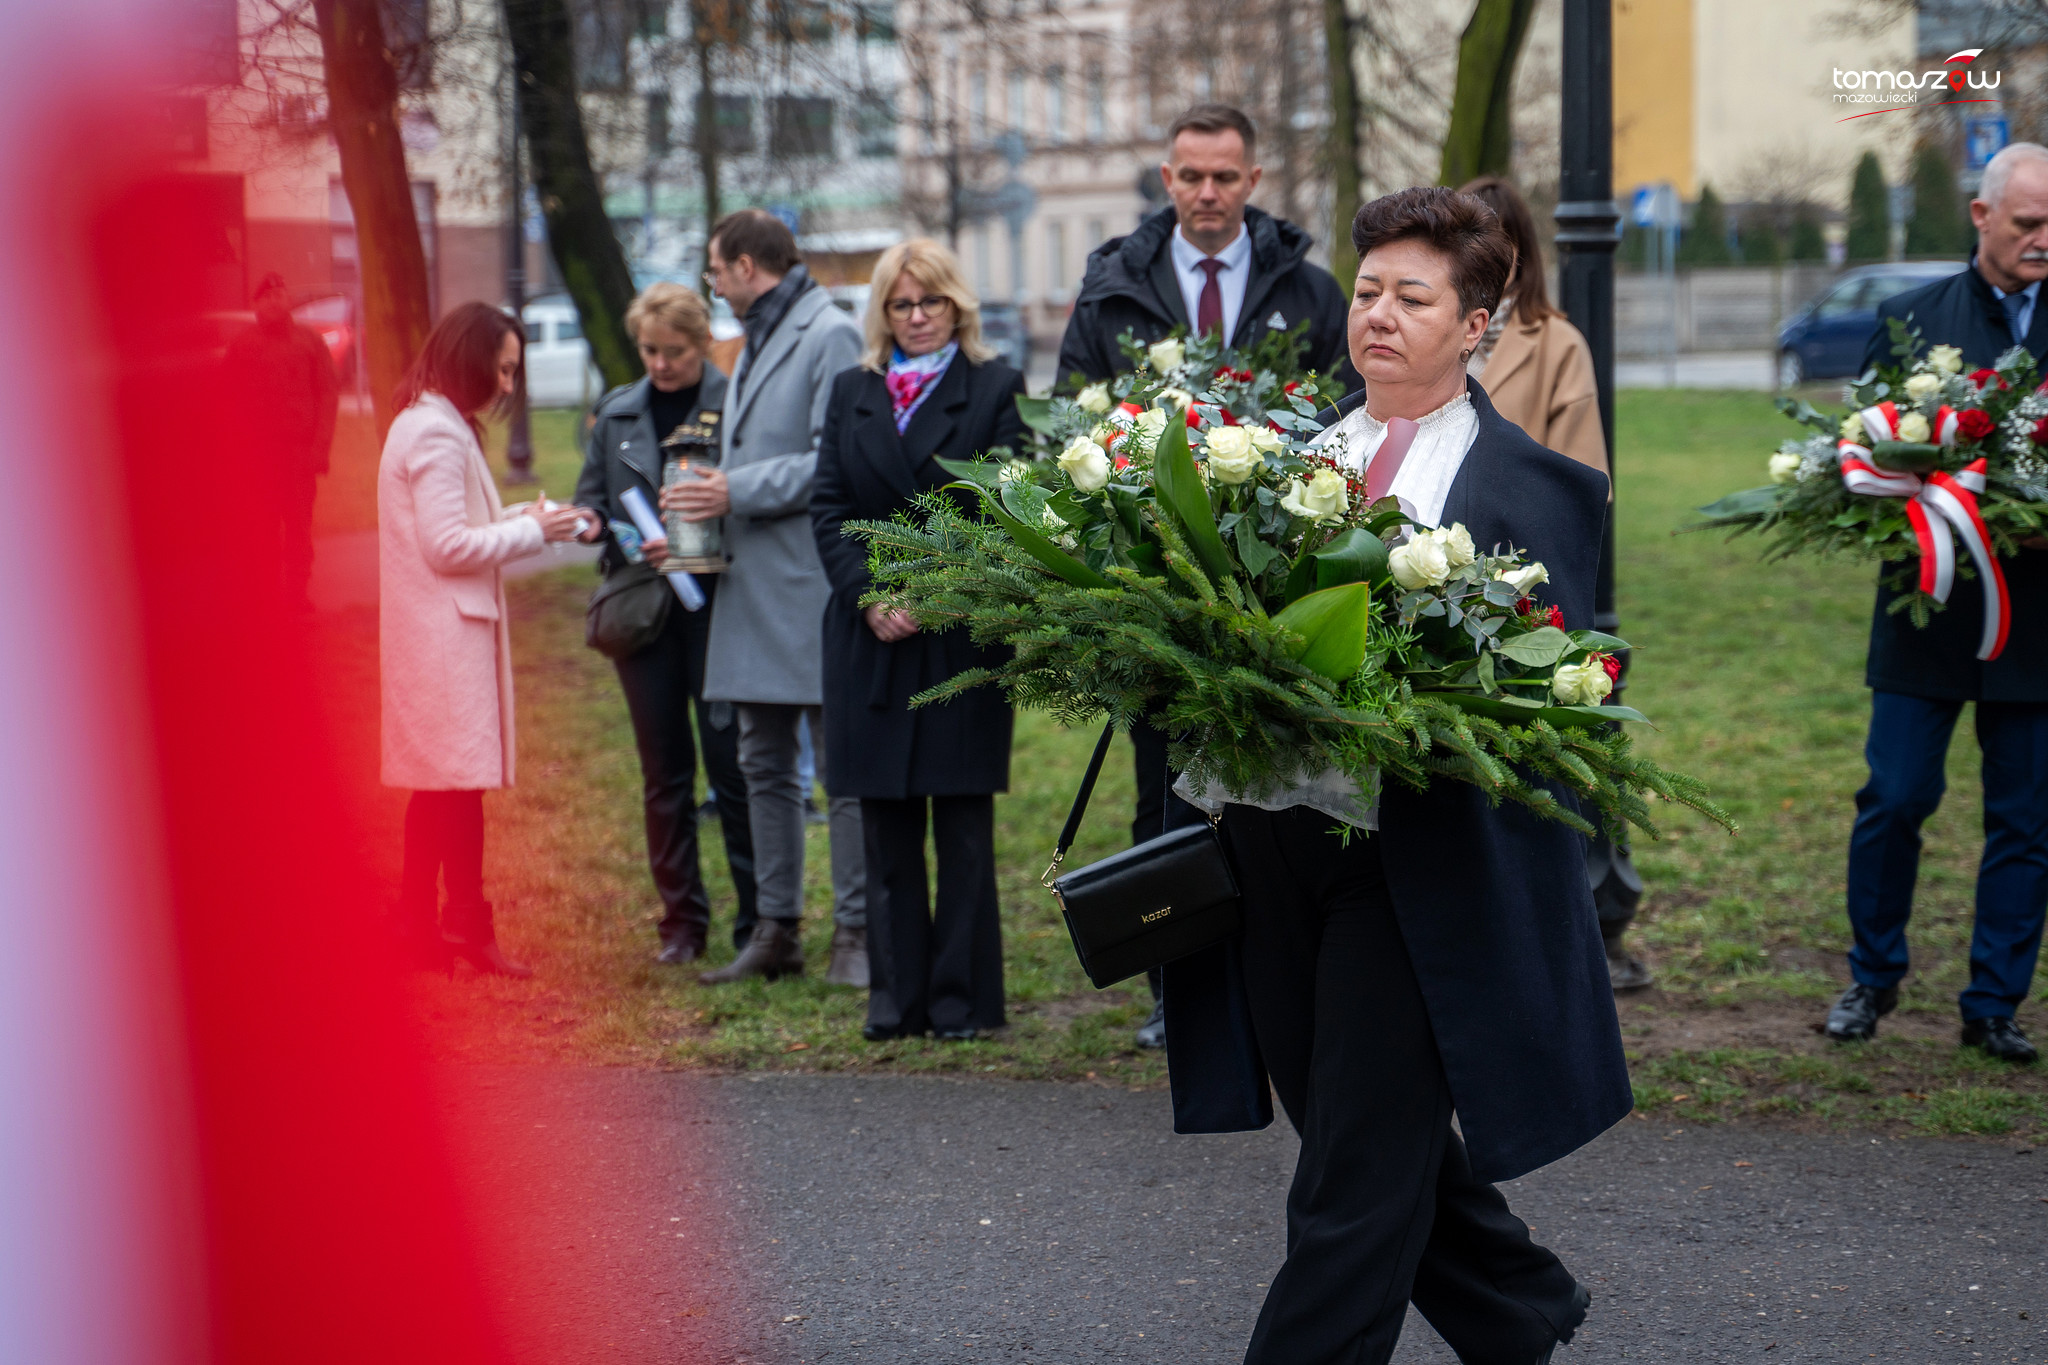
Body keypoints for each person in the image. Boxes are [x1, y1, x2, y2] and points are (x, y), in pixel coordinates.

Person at [1166, 187, 1625, 1364]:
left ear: (1474, 325)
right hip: (1266, 844)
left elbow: (1549, 692)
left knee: (1352, 1181)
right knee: (1351, 1131)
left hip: (1411, 862)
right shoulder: (1278, 463)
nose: (1375, 313)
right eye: (1366, 290)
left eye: (1410, 298)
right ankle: (1516, 1309)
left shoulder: (1535, 490)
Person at [1055, 103, 1355, 1050]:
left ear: (1254, 181)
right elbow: (1072, 421)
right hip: (1160, 580)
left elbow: (1349, 418)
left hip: (1278, 581)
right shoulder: (1113, 292)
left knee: (1279, 783)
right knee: (1166, 784)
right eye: (1191, 176)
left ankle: (1280, 980)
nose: (1208, 193)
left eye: (1226, 176)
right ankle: (1177, 991)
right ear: (1167, 178)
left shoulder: (1308, 291)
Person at [1829, 141, 2048, 1064]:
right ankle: (1871, 977)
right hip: (1926, 608)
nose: (2043, 239)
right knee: (1894, 798)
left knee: (2026, 819)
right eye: (2029, 222)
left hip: (2038, 621)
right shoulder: (1911, 319)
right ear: (1981, 214)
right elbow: (1857, 462)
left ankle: (1993, 1003)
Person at [812, 239, 1023, 1041]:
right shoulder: (852, 389)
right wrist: (870, 594)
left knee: (962, 826)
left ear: (956, 305)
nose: (918, 317)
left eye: (931, 301)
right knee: (886, 825)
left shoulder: (994, 386)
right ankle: (895, 999)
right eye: (901, 304)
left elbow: (1005, 508)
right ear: (882, 313)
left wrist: (933, 593)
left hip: (958, 634)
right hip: (870, 637)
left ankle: (962, 1000)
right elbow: (828, 506)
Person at [1457, 174, 1650, 993]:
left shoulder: (1554, 340)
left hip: (1523, 583)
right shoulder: (1434, 327)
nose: (1480, 253)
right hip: (1432, 584)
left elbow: (1584, 478)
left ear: (1519, 251)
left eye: (1492, 240)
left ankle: (1569, 931)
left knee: (1537, 767)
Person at [673, 209, 867, 985]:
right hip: (751, 580)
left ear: (748, 267)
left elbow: (834, 457)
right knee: (761, 759)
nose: (714, 285)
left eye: (717, 270)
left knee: (839, 766)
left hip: (810, 580)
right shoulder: (758, 332)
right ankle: (774, 929)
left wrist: (734, 489)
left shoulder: (829, 332)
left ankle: (856, 935)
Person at [379, 302, 585, 976]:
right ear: (469, 359)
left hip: (438, 636)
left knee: (441, 789)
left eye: (512, 372)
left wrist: (531, 516)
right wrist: (534, 532)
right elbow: (447, 546)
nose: (506, 385)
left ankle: (423, 927)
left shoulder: (431, 421)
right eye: (501, 369)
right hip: (444, 639)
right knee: (454, 789)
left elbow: (462, 525)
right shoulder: (436, 433)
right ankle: (457, 925)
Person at [572, 282, 759, 966]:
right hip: (644, 615)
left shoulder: (736, 404)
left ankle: (758, 922)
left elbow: (755, 503)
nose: (659, 364)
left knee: (732, 769)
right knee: (664, 772)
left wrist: (692, 542)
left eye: (674, 351)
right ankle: (682, 923)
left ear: (702, 343)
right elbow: (593, 503)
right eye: (649, 350)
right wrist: (597, 526)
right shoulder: (619, 411)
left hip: (720, 610)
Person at [224, 272, 338, 610]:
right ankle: (267, 597)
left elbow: (327, 395)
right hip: (259, 457)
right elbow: (228, 403)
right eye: (267, 297)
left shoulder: (309, 342)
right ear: (256, 304)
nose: (275, 301)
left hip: (299, 454)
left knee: (299, 527)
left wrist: (320, 448)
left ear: (289, 300)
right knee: (263, 529)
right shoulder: (242, 346)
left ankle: (297, 594)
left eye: (280, 295)